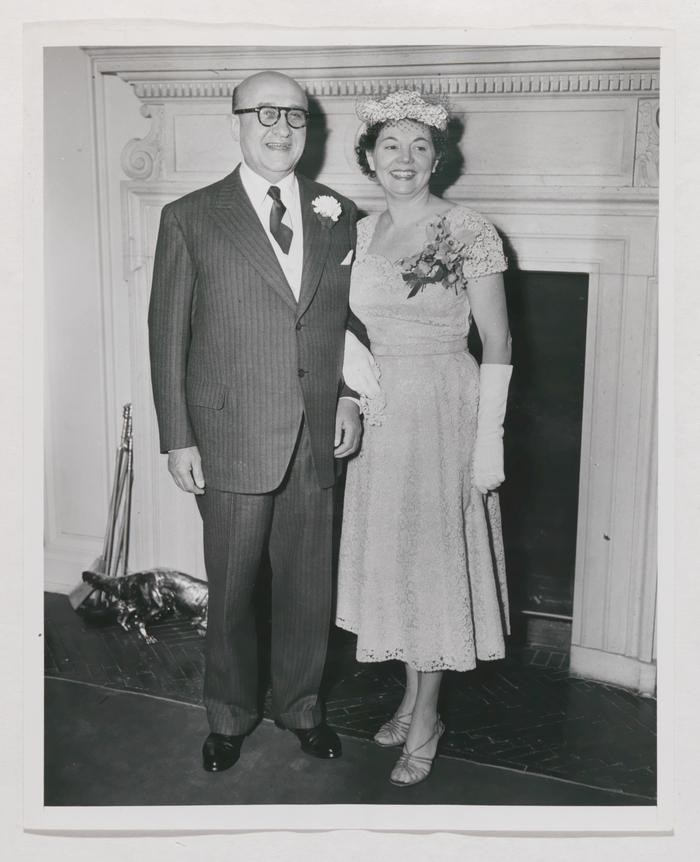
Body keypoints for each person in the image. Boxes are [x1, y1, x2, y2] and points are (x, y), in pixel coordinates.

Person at [148, 71, 363, 773]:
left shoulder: (340, 213)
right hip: (230, 435)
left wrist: (353, 400)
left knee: (309, 590)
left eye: (295, 117)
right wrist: (178, 436)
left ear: (310, 127)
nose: (281, 129)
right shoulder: (190, 216)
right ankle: (230, 716)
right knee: (234, 590)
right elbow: (167, 334)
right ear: (236, 121)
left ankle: (302, 706)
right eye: (265, 114)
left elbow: (352, 322)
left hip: (314, 437)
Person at [337, 90, 513, 787]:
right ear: (370, 159)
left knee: (435, 566)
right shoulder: (356, 232)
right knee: (401, 561)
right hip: (384, 412)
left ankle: (430, 717)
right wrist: (353, 388)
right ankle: (411, 698)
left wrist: (490, 439)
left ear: (437, 158)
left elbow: (498, 337)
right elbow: (344, 327)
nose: (404, 160)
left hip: (445, 406)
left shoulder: (469, 230)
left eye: (418, 148)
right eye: (390, 147)